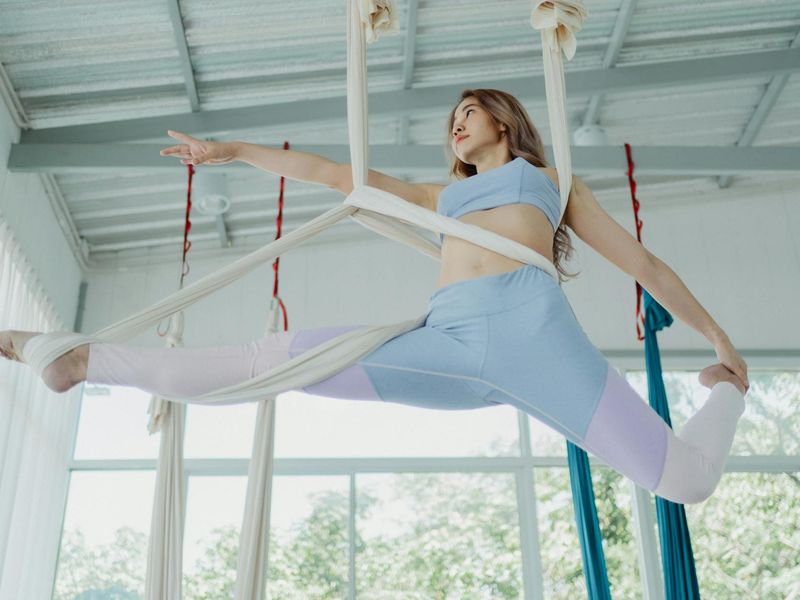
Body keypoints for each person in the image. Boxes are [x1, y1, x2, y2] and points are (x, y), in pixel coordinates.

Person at [0, 89, 748, 504]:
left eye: (468, 113)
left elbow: (644, 264)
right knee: (270, 363)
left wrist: (720, 346)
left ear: (504, 119)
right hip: (446, 343)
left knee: (684, 481)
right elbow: (336, 176)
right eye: (450, 121)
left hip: (538, 338)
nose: (456, 127)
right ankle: (80, 361)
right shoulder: (437, 197)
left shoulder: (555, 184)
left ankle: (729, 395)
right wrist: (236, 152)